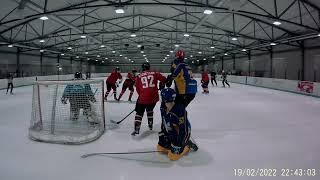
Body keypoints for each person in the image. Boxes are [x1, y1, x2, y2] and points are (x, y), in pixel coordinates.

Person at [157, 88, 194, 161]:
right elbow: (164, 121)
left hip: (181, 134)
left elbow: (184, 129)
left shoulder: (179, 109)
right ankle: (172, 145)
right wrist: (163, 134)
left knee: (172, 157)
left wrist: (179, 144)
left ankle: (187, 146)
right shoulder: (163, 107)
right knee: (160, 148)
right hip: (171, 132)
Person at [131, 62, 166, 136]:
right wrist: (162, 84)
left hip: (143, 97)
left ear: (142, 68)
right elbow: (164, 79)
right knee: (150, 110)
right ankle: (150, 125)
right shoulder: (155, 73)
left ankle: (137, 129)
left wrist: (142, 95)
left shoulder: (139, 76)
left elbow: (137, 88)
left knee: (139, 113)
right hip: (153, 98)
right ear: (149, 67)